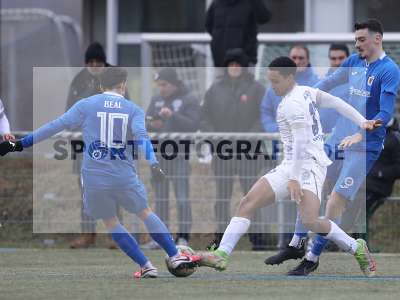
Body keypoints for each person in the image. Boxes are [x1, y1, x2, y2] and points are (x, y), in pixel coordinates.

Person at [0, 67, 200, 278]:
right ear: (122, 85)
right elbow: (142, 136)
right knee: (145, 212)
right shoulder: (133, 109)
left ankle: (146, 265)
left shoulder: (86, 105)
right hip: (123, 175)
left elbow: (55, 126)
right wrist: (153, 163)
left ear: (99, 86)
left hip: (94, 178)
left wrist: (20, 144)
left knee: (111, 221)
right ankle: (175, 255)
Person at [199, 56, 380, 277]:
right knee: (247, 202)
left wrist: (294, 178)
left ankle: (356, 247)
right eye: (270, 80)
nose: (271, 86)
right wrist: (362, 121)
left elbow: (302, 143)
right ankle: (222, 255)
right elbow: (336, 102)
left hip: (309, 166)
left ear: (289, 78)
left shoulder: (293, 103)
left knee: (311, 221)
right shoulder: (305, 92)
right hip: (291, 164)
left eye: (275, 81)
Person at [265, 19, 400, 276]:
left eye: (361, 39)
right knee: (307, 184)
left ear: (377, 39)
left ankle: (312, 258)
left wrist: (361, 135)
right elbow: (328, 83)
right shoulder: (353, 63)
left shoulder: (389, 70)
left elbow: (384, 112)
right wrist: (303, 99)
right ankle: (296, 243)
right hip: (337, 139)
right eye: (356, 39)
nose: (357, 44)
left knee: (333, 204)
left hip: (364, 148)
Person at [200, 48, 267, 250]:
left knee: (253, 196)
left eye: (238, 64)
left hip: (249, 154)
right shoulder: (214, 89)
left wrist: (248, 140)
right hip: (222, 154)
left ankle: (259, 240)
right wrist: (217, 141)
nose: (235, 67)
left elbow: (263, 117)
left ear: (244, 66)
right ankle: (220, 239)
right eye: (231, 64)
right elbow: (204, 117)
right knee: (222, 197)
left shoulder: (256, 89)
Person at [67, 42, 126, 249]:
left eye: (98, 61)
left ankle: (116, 236)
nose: (94, 65)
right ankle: (88, 234)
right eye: (90, 62)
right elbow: (70, 112)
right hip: (84, 146)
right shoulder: (79, 80)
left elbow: (126, 109)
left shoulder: (116, 77)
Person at [144, 68, 200, 248]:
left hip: (180, 156)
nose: (161, 89)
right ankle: (161, 239)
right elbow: (148, 121)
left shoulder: (189, 99)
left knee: (182, 197)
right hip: (159, 156)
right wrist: (153, 123)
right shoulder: (156, 99)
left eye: (164, 85)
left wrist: (173, 116)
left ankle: (183, 237)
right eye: (158, 85)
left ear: (174, 83)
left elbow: (193, 125)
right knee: (161, 198)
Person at [261, 45, 320, 133]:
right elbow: (266, 111)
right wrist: (274, 129)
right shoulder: (274, 84)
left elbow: (322, 114)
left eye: (301, 58)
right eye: (294, 58)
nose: (297, 61)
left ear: (308, 60)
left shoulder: (317, 84)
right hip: (279, 141)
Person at [205, 0, 271, 67]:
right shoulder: (216, 3)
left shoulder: (250, 2)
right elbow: (208, 25)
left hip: (244, 59)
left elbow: (264, 18)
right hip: (221, 59)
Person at [318, 44, 350, 134]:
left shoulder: (357, 82)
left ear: (348, 58)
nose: (337, 62)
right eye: (333, 59)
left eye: (341, 58)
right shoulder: (322, 82)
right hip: (323, 139)